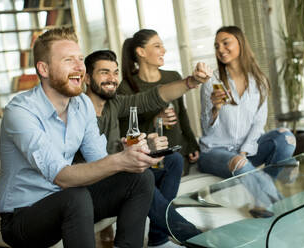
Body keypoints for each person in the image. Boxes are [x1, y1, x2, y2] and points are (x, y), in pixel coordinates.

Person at [0, 27, 163, 248]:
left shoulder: (82, 104)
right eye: (68, 60)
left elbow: (99, 162)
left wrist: (130, 157)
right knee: (75, 197)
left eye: (80, 59)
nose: (79, 67)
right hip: (23, 217)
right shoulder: (20, 112)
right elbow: (62, 177)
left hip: (70, 200)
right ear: (44, 69)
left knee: (140, 179)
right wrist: (119, 160)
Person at [82, 50, 211, 247]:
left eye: (115, 72)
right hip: (96, 188)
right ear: (87, 77)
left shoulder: (112, 103)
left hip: (119, 174)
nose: (112, 78)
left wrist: (191, 81)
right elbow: (94, 164)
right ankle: (194, 237)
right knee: (141, 178)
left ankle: (158, 239)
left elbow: (150, 98)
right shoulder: (79, 112)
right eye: (104, 72)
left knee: (172, 160)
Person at [199, 26, 296, 183]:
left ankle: (269, 189)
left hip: (247, 150)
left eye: (225, 43)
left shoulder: (259, 81)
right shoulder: (212, 82)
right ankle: (274, 202)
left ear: (240, 43)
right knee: (239, 163)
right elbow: (206, 130)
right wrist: (215, 110)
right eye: (217, 46)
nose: (221, 49)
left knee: (286, 138)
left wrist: (243, 152)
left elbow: (259, 123)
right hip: (215, 152)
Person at [118, 29, 200, 176]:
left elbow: (182, 114)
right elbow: (125, 133)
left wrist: (192, 145)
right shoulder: (126, 87)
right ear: (141, 52)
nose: (164, 50)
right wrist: (155, 121)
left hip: (178, 155)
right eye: (157, 46)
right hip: (148, 161)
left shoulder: (173, 77)